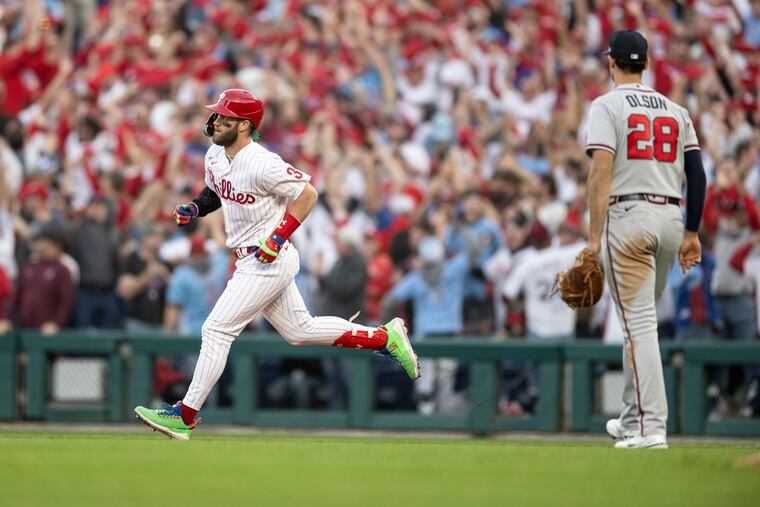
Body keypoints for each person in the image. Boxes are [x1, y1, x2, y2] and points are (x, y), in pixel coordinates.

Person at [134, 89, 419, 440]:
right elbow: (215, 192)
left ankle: (186, 414)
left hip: (267, 258)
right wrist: (195, 208)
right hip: (249, 258)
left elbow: (308, 194)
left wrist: (279, 236)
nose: (216, 121)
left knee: (216, 330)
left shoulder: (262, 161)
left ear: (244, 125)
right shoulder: (213, 155)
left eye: (225, 117)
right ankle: (383, 337)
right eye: (218, 115)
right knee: (299, 331)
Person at [584, 31, 705, 449]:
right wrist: (692, 231)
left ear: (611, 63)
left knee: (638, 326)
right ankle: (632, 417)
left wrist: (592, 238)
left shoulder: (606, 105)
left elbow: (600, 172)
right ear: (646, 63)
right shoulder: (676, 109)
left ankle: (652, 426)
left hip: (629, 217)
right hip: (671, 218)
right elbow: (699, 175)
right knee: (640, 322)